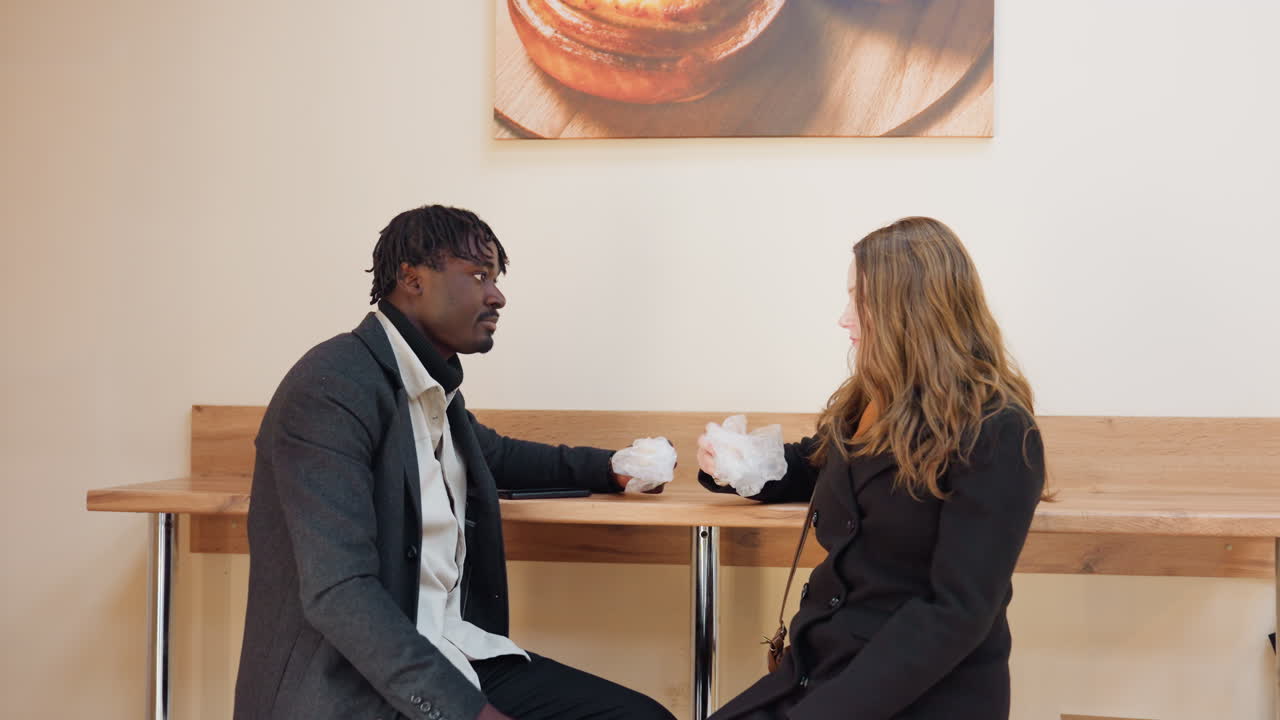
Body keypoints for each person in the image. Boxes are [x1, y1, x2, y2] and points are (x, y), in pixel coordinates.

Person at [234, 205, 675, 720]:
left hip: (451, 651)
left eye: (495, 277)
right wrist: (466, 713)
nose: (497, 295)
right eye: (478, 275)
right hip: (357, 685)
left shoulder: (426, 387)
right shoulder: (332, 387)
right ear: (412, 278)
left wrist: (614, 468)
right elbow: (340, 591)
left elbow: (496, 456)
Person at [698, 217, 1047, 720]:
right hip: (818, 669)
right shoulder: (870, 401)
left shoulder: (999, 430)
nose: (844, 318)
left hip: (916, 691)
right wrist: (738, 464)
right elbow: (817, 466)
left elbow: (959, 610)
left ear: (909, 308)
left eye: (858, 299)